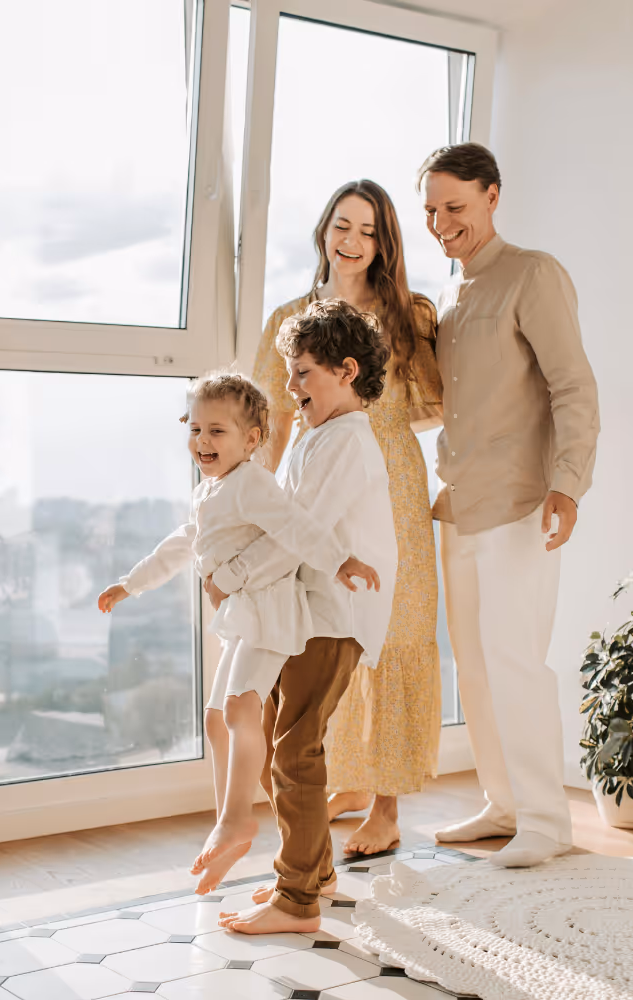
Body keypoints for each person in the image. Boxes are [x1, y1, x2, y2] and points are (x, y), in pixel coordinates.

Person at [97, 373, 379, 895]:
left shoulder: (251, 483)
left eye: (217, 431)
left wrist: (339, 561)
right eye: (196, 429)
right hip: (242, 618)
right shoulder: (212, 489)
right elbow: (183, 543)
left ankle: (237, 821)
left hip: (270, 615)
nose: (203, 442)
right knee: (214, 719)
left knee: (241, 711)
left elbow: (296, 527)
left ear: (251, 440)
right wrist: (130, 584)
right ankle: (230, 821)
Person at [419, 143, 600, 868]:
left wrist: (569, 482)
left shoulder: (533, 275)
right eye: (430, 210)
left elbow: (573, 387)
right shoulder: (453, 303)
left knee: (515, 659)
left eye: (454, 207)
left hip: (522, 502)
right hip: (457, 506)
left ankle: (547, 822)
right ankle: (503, 803)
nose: (440, 223)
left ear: (493, 196)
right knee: (475, 662)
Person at [252, 180, 443, 857]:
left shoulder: (409, 315)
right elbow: (276, 421)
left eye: (367, 231)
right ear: (323, 230)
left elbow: (443, 402)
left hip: (391, 481)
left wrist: (394, 432)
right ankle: (353, 781)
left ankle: (386, 808)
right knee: (330, 632)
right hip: (319, 480)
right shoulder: (291, 317)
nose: (352, 242)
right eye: (342, 225)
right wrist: (265, 506)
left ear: (383, 244)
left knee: (394, 631)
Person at [210, 299, 398, 934]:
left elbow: (299, 533)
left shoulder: (346, 442)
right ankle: (309, 874)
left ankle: (298, 899)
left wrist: (231, 578)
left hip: (335, 615)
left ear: (346, 371)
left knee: (295, 751)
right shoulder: (318, 437)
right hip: (304, 610)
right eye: (290, 375)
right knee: (275, 745)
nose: (290, 388)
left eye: (303, 374)